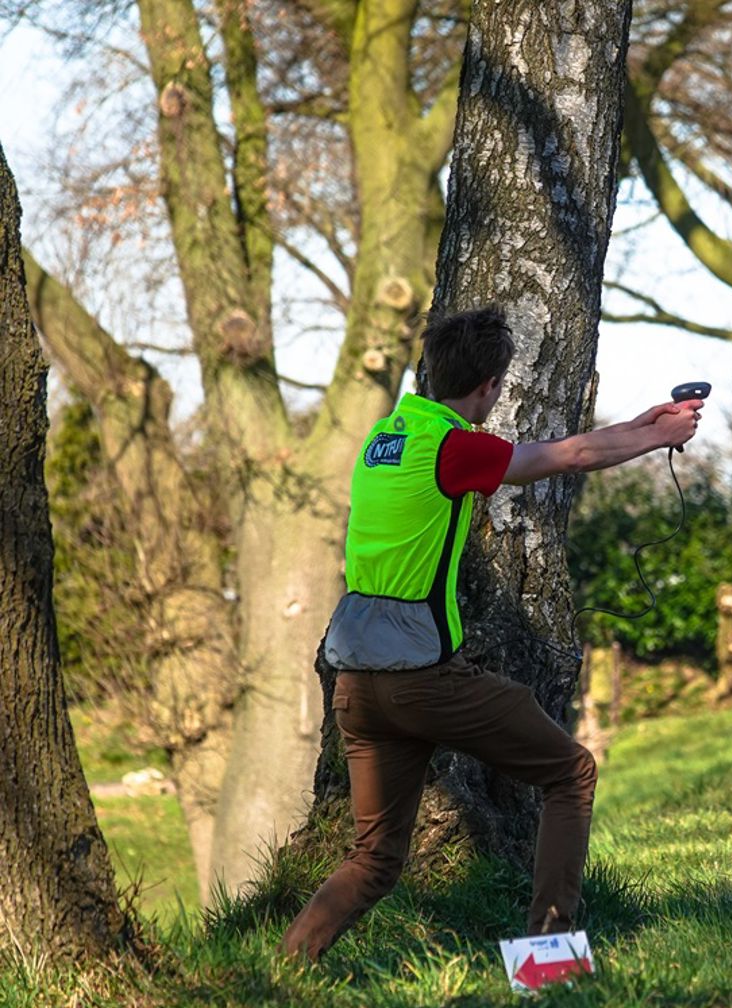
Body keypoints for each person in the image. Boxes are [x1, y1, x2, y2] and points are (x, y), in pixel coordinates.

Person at [280, 306, 702, 961]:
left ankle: (286, 971)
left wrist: (643, 426)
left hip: (356, 683)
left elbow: (578, 447)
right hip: (423, 680)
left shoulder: (386, 437)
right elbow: (573, 454)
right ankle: (551, 961)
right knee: (571, 773)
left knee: (375, 858)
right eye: (499, 385)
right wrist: (656, 437)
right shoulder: (456, 447)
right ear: (487, 387)